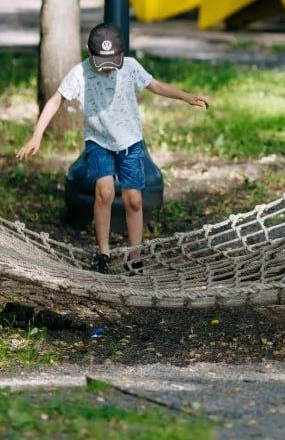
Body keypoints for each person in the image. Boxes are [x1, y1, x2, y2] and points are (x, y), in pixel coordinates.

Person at [16, 22, 210, 272]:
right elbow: (56, 100)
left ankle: (135, 256)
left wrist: (186, 97)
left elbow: (156, 85)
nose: (107, 69)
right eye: (102, 64)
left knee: (134, 200)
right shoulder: (80, 74)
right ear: (90, 52)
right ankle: (103, 254)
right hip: (98, 141)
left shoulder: (130, 67)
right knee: (104, 192)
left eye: (112, 63)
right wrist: (37, 135)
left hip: (130, 142)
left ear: (121, 53)